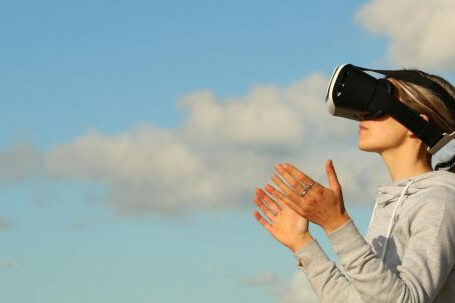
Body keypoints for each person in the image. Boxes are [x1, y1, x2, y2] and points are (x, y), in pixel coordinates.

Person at [252, 69, 455, 302]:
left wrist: (337, 224)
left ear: (415, 124)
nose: (361, 114)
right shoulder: (390, 205)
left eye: (377, 103)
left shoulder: (440, 201)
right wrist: (302, 244)